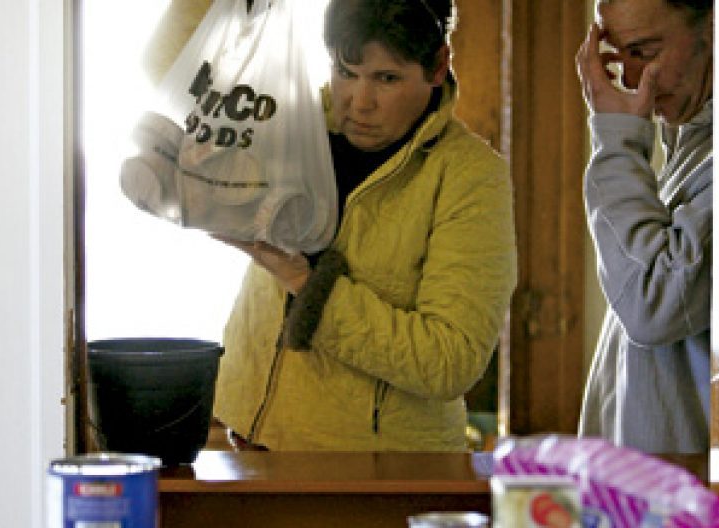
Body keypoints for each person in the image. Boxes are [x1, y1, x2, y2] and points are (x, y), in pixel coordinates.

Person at [212, 0, 517, 451]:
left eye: (387, 79)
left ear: (437, 68)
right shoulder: (294, 126)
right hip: (244, 436)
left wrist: (305, 281)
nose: (359, 101)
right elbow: (173, 74)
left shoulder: (470, 176)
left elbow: (449, 359)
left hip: (382, 467)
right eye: (346, 71)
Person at [575, 0, 713, 453]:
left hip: (692, 504)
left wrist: (615, 137)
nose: (633, 82)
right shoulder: (692, 144)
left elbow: (650, 303)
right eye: (617, 59)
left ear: (715, 26)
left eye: (646, 52)